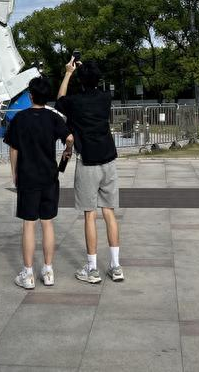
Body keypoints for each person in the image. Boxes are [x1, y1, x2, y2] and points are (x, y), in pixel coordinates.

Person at [56, 57, 123, 283]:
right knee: (109, 212)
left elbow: (60, 100)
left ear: (81, 81)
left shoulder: (75, 102)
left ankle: (92, 268)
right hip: (109, 159)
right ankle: (115, 266)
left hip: (88, 162)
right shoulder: (105, 98)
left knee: (89, 215)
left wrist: (68, 73)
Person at [4, 76, 73, 290]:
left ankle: (28, 273)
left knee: (29, 224)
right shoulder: (53, 118)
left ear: (30, 95)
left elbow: (13, 149)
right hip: (49, 176)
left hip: (27, 176)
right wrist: (67, 153)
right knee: (48, 222)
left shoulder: (20, 118)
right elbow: (69, 137)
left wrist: (14, 173)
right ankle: (48, 269)